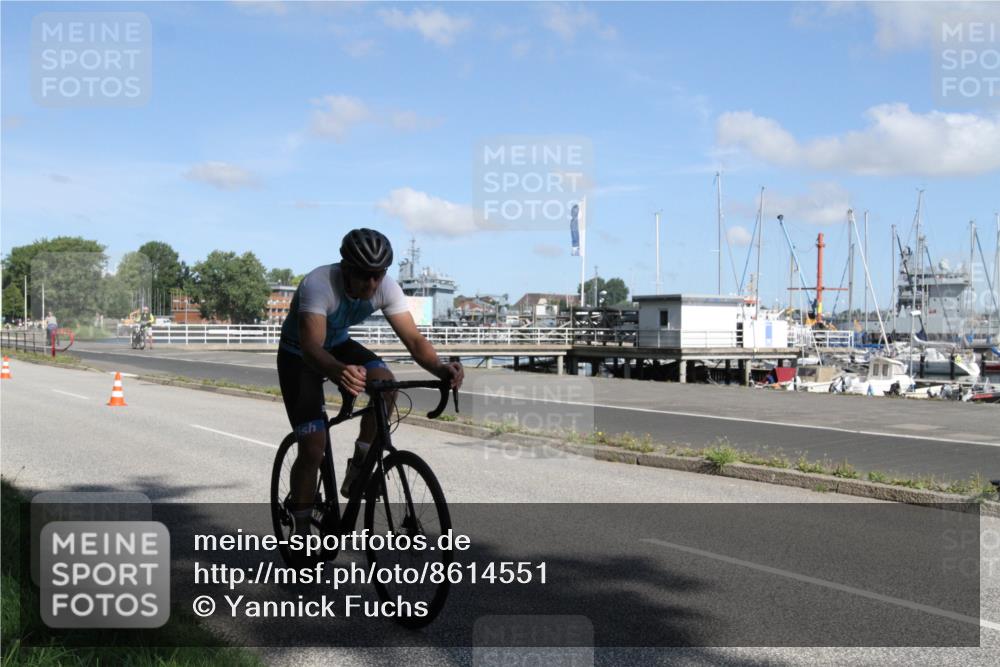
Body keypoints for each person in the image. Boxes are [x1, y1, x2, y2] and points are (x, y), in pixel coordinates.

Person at [277, 228, 463, 536]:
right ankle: (301, 529)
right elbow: (311, 348)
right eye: (364, 275)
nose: (372, 283)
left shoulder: (386, 288)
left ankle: (359, 466)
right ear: (346, 268)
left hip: (339, 345)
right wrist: (340, 371)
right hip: (299, 355)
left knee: (386, 384)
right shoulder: (319, 284)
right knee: (313, 447)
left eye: (379, 275)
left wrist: (441, 369)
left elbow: (415, 341)